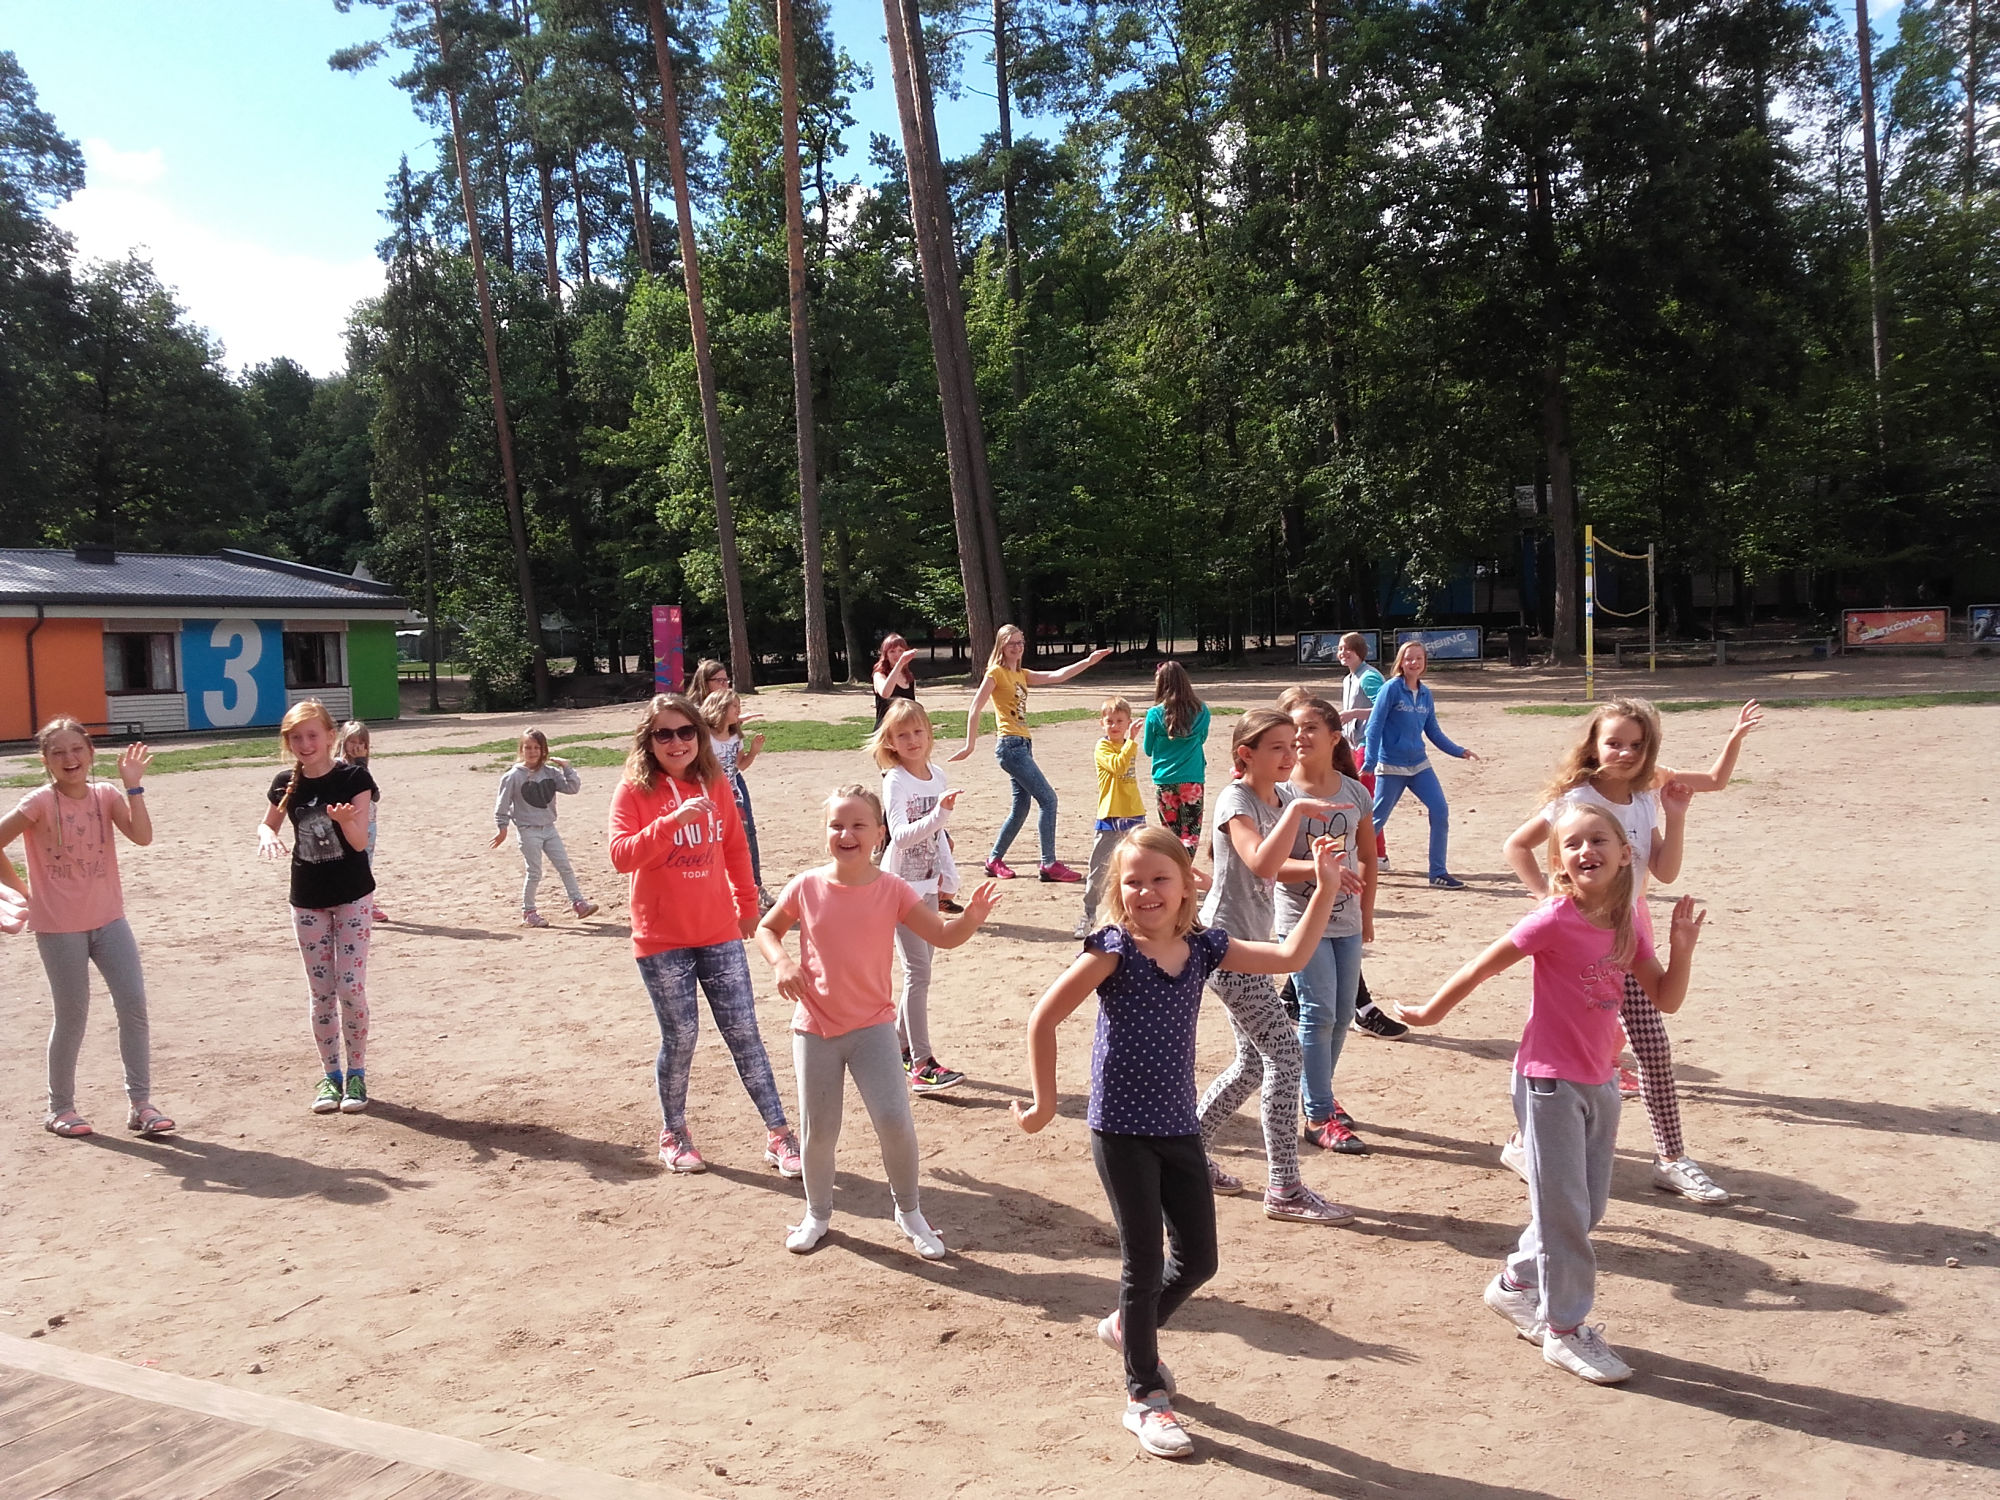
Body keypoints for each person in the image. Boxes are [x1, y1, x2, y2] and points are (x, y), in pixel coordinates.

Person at [1014, 826, 1350, 1459]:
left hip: (1178, 1128)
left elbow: (1288, 958)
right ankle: (1144, 1395)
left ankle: (1128, 1327)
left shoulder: (1203, 948)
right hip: (1120, 1130)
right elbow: (1044, 1018)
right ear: (1117, 890)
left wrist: (1326, 886)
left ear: (1187, 885)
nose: (1146, 892)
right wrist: (1045, 1105)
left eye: (1159, 879)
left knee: (1197, 1260)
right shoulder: (1112, 950)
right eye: (1133, 881)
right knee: (1142, 1264)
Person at [1399, 804, 1707, 1385]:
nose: (1587, 850)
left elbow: (1664, 997)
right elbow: (1482, 967)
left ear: (1626, 854)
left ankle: (1515, 1284)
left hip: (1602, 1080)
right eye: (1573, 844)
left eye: (1599, 840)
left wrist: (1681, 948)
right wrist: (1431, 1012)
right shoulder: (1553, 919)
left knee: (1587, 1208)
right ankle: (1564, 1328)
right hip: (1548, 1083)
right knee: (1565, 1216)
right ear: (1559, 863)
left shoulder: (1627, 922)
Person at [1500, 697, 1762, 1204]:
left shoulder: (1645, 795)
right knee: (1563, 1046)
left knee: (1645, 1046)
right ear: (1594, 745)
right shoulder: (1576, 800)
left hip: (1629, 933)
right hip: (1579, 942)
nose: (1625, 753)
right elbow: (1517, 845)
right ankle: (1526, 1143)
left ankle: (1670, 1158)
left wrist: (1677, 814)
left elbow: (1664, 870)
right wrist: (1550, 899)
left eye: (1636, 745)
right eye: (1614, 743)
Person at [758, 786, 1001, 1256]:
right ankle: (817, 1214)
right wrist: (781, 962)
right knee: (819, 1129)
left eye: (858, 825)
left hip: (873, 1028)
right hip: (815, 1027)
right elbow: (767, 928)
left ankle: (909, 1211)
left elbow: (942, 935)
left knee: (893, 1120)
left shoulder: (892, 889)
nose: (846, 834)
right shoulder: (806, 886)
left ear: (879, 834)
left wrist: (971, 918)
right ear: (825, 831)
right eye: (836, 825)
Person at [609, 693, 800, 1177]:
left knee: (745, 1033)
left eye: (685, 732)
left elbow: (736, 847)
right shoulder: (632, 790)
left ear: (699, 734)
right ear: (648, 741)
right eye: (664, 734)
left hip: (718, 932)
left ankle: (780, 1134)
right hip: (661, 940)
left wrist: (747, 906)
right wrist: (669, 823)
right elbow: (621, 856)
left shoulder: (714, 783)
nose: (676, 742)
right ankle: (674, 1133)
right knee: (681, 1037)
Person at [1196, 709, 1357, 1222]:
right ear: (1246, 754)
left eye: (1293, 745)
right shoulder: (1236, 800)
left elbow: (1280, 866)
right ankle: (1285, 1189)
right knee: (1285, 1057)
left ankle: (1187, 1155)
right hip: (1224, 946)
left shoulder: (1281, 798)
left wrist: (1323, 867)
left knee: (1252, 1063)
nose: (1291, 754)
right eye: (1278, 747)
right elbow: (1260, 860)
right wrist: (1299, 812)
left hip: (1252, 946)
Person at [0, 720, 174, 1138]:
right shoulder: (39, 801)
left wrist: (133, 786)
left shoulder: (106, 795)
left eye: (76, 749)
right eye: (58, 752)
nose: (69, 759)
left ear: (90, 753)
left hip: (110, 920)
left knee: (133, 1005)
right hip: (59, 927)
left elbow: (142, 837)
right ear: (45, 760)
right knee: (72, 1016)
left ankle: (141, 1105)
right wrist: (21, 891)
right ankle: (59, 1108)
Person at [260, 700, 378, 1115]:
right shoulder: (285, 783)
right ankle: (331, 1076)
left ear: (331, 737)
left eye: (312, 735)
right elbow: (268, 822)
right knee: (321, 992)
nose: (305, 744)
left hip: (353, 896)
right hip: (307, 899)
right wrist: (266, 834)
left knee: (350, 987)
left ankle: (357, 1073)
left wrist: (345, 821)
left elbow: (360, 842)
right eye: (296, 737)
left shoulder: (354, 778)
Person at [1281, 696, 1378, 1152]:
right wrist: (1323, 872)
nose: (1299, 737)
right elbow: (1271, 866)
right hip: (1299, 919)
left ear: (1335, 737)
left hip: (1347, 920)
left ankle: (1318, 1094)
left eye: (1309, 728)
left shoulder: (1355, 792)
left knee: (1341, 1016)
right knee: (1318, 1013)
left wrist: (1367, 913)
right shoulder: (1282, 793)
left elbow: (1369, 857)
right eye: (1293, 729)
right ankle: (1318, 1116)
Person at [950, 624, 1111, 882]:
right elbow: (975, 707)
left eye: (1020, 642)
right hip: (1010, 746)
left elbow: (1057, 675)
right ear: (1002, 646)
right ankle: (1048, 864)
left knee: (1021, 808)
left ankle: (994, 860)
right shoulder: (996, 673)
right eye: (1012, 643)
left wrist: (1088, 661)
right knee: (1048, 800)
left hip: (1023, 745)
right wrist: (970, 745)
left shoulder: (1021, 674)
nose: (1018, 647)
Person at [869, 699, 967, 1094]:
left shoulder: (937, 775)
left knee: (923, 968)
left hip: (926, 885)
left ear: (929, 733)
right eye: (902, 734)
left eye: (918, 731)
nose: (912, 740)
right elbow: (900, 835)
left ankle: (897, 1048)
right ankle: (922, 1064)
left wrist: (949, 876)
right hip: (900, 887)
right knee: (918, 972)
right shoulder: (895, 780)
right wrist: (939, 815)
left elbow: (938, 837)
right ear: (890, 742)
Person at [1362, 641, 1478, 889]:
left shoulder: (1425, 694)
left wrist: (1459, 751)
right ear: (1400, 662)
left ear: (1425, 662)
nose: (1413, 662)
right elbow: (1374, 726)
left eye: (1418, 658)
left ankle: (1438, 873)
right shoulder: (1390, 689)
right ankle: (1346, 863)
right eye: (1408, 658)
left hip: (1419, 765)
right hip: (1391, 765)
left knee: (1440, 810)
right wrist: (1370, 761)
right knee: (1376, 820)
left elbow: (1432, 730)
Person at [490, 729, 599, 926]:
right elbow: (502, 804)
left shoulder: (550, 773)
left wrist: (567, 768)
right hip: (528, 830)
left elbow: (572, 788)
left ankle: (578, 903)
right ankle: (529, 912)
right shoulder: (513, 776)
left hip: (549, 828)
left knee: (564, 866)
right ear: (521, 750)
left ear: (543, 750)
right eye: (528, 748)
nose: (532, 752)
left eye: (536, 748)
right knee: (534, 872)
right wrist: (502, 828)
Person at [1078, 695, 1148, 937]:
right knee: (1099, 870)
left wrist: (1131, 742)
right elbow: (1118, 766)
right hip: (1110, 816)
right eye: (1109, 721)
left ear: (1128, 722)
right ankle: (1088, 914)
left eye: (1120, 721)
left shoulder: (1128, 746)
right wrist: (1132, 742)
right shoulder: (1103, 747)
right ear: (1102, 724)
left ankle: (1134, 915)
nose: (1114, 726)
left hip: (1134, 814)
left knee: (1138, 868)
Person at [700, 689, 770, 906]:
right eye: (735, 707)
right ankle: (715, 892)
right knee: (711, 844)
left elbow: (740, 766)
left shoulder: (735, 736)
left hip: (734, 797)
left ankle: (753, 889)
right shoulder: (704, 736)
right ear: (720, 707)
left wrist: (754, 751)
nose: (739, 711)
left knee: (744, 842)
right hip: (710, 799)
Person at [1141, 661, 1211, 854]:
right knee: (1191, 832)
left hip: (1164, 778)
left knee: (1170, 833)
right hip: (1192, 778)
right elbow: (1202, 738)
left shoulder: (1154, 714)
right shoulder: (1202, 711)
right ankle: (1185, 866)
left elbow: (1148, 749)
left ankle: (1173, 866)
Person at [1334, 635, 1389, 866]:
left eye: (1349, 649)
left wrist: (1354, 713)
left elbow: (1385, 707)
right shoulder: (1349, 678)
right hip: (1354, 744)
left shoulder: (1368, 677)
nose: (1343, 653)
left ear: (1360, 651)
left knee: (1364, 800)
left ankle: (1378, 854)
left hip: (1369, 744)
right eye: (1340, 649)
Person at [337, 721, 390, 924]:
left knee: (365, 865)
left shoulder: (362, 767)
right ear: (343, 742)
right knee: (347, 865)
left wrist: (361, 764)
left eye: (361, 742)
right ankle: (349, 903)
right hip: (348, 824)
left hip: (368, 823)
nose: (357, 747)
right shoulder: (339, 766)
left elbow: (374, 795)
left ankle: (366, 903)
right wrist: (359, 765)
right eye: (352, 742)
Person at [871, 634, 919, 724]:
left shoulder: (908, 676)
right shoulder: (879, 675)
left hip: (905, 727)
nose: (897, 654)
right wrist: (900, 664)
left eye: (901, 650)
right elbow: (885, 694)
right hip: (886, 728)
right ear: (886, 655)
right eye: (892, 651)